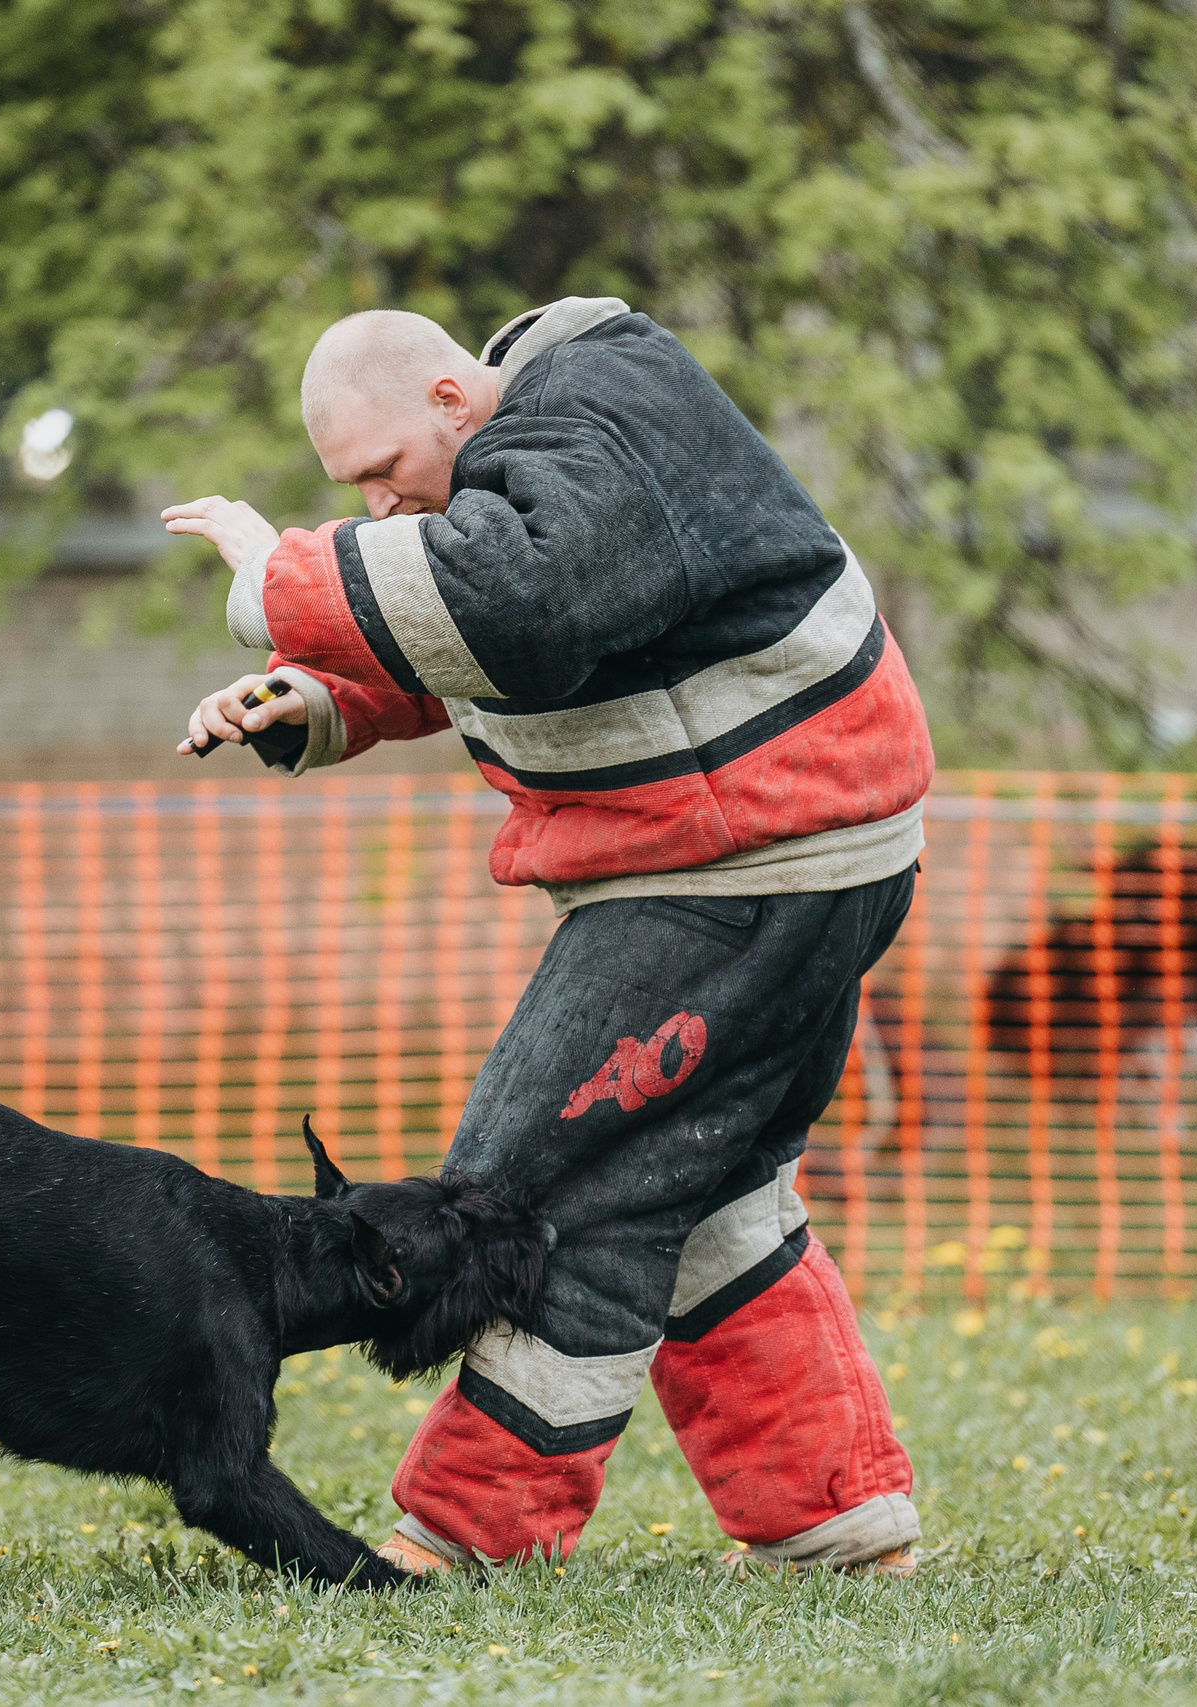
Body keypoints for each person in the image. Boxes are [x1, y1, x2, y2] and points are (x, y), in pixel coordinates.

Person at [162, 298, 933, 1576]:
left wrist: (274, 573)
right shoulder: (545, 459)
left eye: (382, 471)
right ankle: (833, 1524)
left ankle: (473, 1532)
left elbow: (516, 601)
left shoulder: (600, 421)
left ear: (451, 401)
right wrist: (312, 699)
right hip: (765, 858)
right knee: (695, 1193)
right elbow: (505, 644)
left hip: (741, 863)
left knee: (525, 1192)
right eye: (353, 491)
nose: (378, 504)